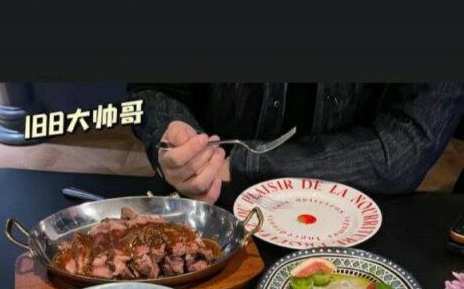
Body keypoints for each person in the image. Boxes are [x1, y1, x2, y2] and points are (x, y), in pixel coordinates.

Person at [130, 82, 464, 202]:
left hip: (362, 218)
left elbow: (407, 145)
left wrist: (241, 165)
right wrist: (173, 135)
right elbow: (153, 89)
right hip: (209, 205)